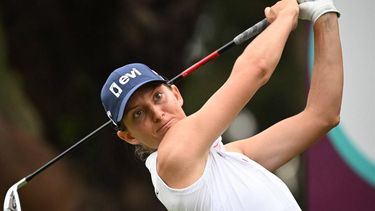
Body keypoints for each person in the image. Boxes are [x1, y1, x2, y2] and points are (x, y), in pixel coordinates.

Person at [100, 0, 343, 210]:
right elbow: (255, 69)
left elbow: (323, 116)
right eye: (138, 113)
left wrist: (324, 14)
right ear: (129, 136)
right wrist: (286, 14)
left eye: (157, 96)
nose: (156, 113)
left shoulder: (231, 159)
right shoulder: (172, 159)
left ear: (175, 94)